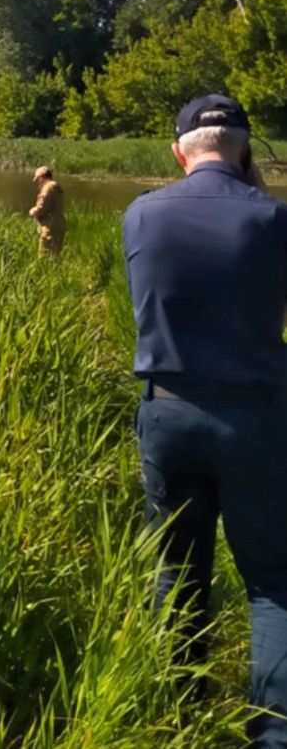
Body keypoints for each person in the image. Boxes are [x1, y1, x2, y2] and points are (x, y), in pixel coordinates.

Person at [124, 94, 287, 745]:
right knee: (273, 584)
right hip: (256, 417)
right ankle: (272, 735)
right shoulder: (275, 217)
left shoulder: (140, 214)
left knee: (176, 569)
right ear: (244, 149)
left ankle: (179, 710)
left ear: (178, 152)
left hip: (169, 411)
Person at [28, 166, 66, 254]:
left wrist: (32, 211)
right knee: (56, 257)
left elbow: (41, 208)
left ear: (42, 177)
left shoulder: (47, 188)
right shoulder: (57, 187)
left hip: (49, 229)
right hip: (59, 226)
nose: (34, 180)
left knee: (43, 258)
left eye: (37, 177)